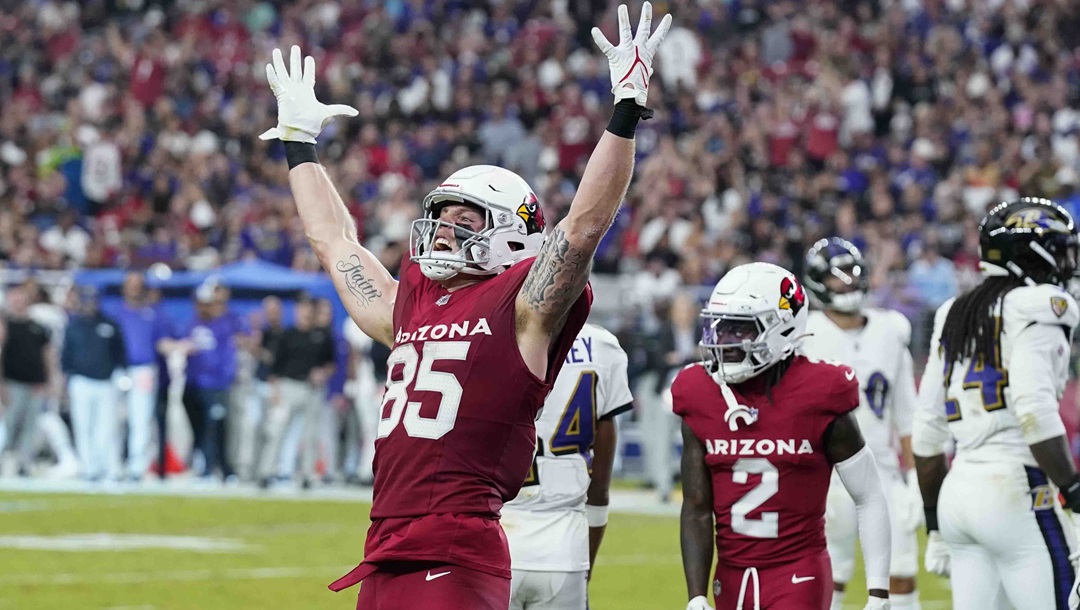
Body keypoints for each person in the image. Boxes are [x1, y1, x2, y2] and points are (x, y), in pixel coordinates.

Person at [258, 5, 671, 607]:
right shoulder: (414, 303)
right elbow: (333, 243)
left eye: (464, 219)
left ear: (511, 232)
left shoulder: (524, 306)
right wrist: (299, 146)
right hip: (385, 543)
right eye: (440, 217)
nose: (444, 232)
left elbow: (581, 230)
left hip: (456, 547)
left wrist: (626, 111)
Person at [675, 262, 891, 610]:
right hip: (729, 579)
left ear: (783, 330)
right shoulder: (698, 392)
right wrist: (696, 595)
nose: (723, 343)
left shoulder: (821, 392)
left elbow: (868, 495)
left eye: (738, 331)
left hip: (797, 575)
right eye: (719, 328)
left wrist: (878, 590)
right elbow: (697, 506)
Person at [913, 197, 1080, 610]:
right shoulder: (1040, 305)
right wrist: (1074, 491)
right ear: (1032, 253)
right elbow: (1034, 410)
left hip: (959, 493)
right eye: (1062, 249)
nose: (1068, 261)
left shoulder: (955, 311)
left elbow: (927, 430)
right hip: (1016, 489)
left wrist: (934, 523)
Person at [801, 237, 923, 610]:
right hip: (822, 473)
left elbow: (906, 413)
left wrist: (916, 479)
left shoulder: (890, 330)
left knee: (899, 573)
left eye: (853, 275)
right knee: (830, 576)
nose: (848, 284)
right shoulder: (803, 333)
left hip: (881, 470)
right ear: (820, 282)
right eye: (838, 278)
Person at [502, 323, 634, 609]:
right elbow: (599, 488)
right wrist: (585, 564)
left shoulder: (487, 333)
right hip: (565, 548)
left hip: (494, 539)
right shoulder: (602, 346)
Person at [256, 295, 335, 489]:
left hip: (311, 389)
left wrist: (323, 373)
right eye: (302, 308)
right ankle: (266, 472)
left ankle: (307, 474)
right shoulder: (287, 335)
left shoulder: (322, 336)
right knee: (277, 431)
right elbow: (275, 367)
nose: (305, 312)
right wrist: (275, 391)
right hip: (288, 386)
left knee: (311, 434)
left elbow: (331, 364)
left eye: (309, 308)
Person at [61, 286, 127, 482]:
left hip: (105, 382)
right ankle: (89, 468)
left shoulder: (109, 324)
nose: (90, 304)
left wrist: (120, 376)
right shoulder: (74, 325)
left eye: (93, 300)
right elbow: (66, 356)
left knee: (105, 427)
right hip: (80, 381)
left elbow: (119, 354)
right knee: (83, 426)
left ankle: (107, 467)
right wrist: (65, 381)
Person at [105, 271, 165, 482]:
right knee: (113, 419)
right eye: (130, 284)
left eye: (137, 284)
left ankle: (136, 468)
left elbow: (162, 342)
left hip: (144, 370)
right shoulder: (113, 313)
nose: (134, 288)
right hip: (118, 369)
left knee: (141, 418)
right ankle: (112, 465)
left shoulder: (151, 314)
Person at [0, 284, 54, 476]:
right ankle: (4, 459)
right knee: (10, 423)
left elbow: (48, 355)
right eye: (15, 298)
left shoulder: (38, 326)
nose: (18, 302)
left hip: (35, 383)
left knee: (31, 425)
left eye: (21, 298)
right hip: (12, 382)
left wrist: (50, 380)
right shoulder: (4, 325)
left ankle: (25, 463)